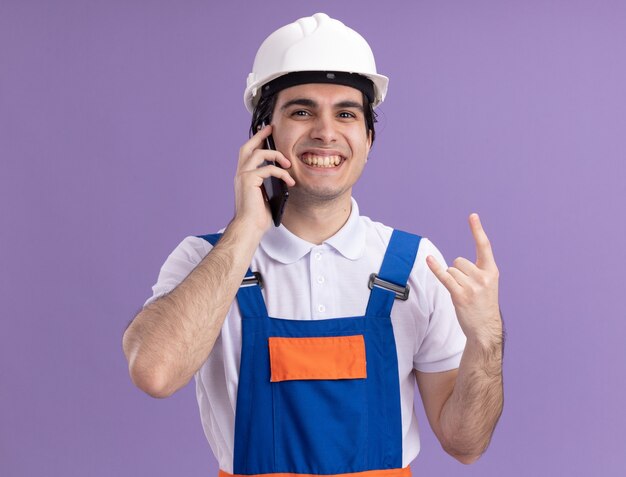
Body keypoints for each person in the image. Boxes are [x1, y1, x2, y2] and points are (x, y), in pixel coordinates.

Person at [122, 12, 504, 476]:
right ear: (265, 133)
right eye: (302, 111)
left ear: (367, 139)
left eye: (346, 113)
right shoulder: (205, 260)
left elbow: (465, 444)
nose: (326, 131)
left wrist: (486, 341)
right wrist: (245, 230)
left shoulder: (414, 264)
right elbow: (154, 374)